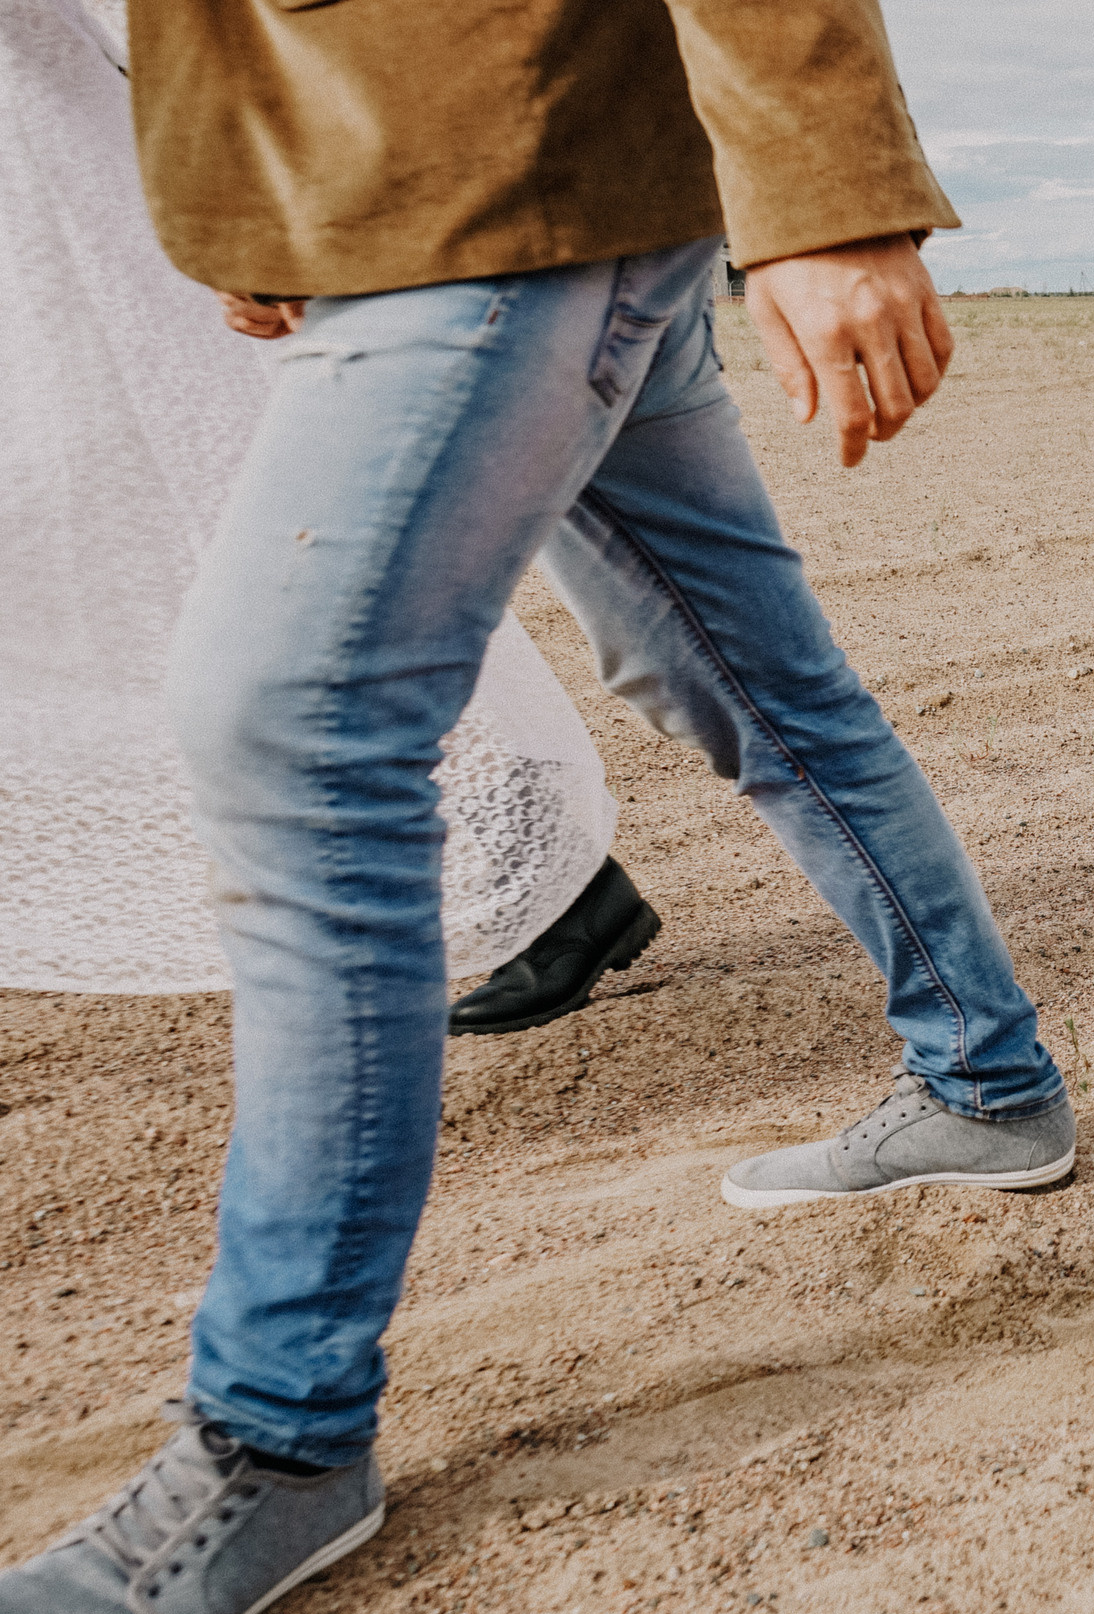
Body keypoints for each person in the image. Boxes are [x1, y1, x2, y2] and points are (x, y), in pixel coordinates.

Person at [0, 0, 1070, 1614]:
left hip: (512, 143)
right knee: (728, 669)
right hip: (439, 176)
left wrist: (827, 178)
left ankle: (278, 1435)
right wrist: (261, 197)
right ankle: (983, 1077)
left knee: (291, 716)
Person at [0, 0, 660, 1036]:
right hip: (46, 296)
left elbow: (166, 29)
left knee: (294, 596)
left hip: (110, 284)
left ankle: (546, 879)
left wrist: (274, 209)